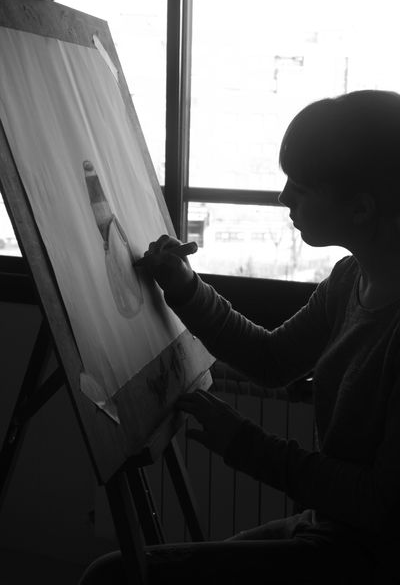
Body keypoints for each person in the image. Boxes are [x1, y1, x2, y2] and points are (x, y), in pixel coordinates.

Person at [79, 89, 400, 584]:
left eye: (301, 187)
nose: (284, 198)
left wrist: (242, 442)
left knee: (111, 578)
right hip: (328, 527)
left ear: (361, 209)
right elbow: (272, 358)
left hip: (369, 552)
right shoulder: (348, 279)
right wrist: (185, 287)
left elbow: (378, 503)